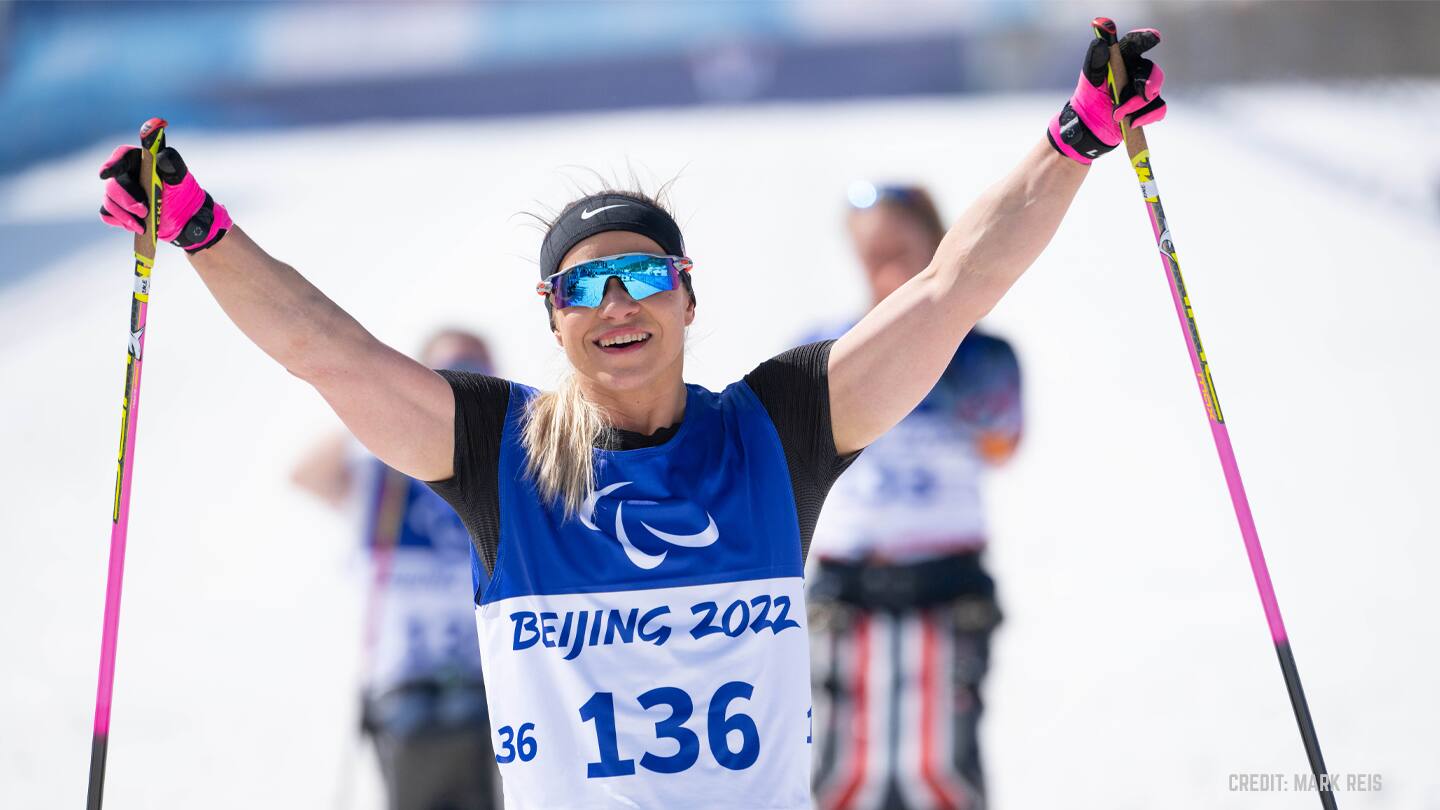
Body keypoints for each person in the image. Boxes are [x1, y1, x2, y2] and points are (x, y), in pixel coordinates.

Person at [95, 29, 1167, 810]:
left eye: (645, 274)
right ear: (551, 321)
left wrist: (1073, 139)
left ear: (689, 296)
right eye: (583, 286)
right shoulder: (498, 456)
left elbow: (949, 291)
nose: (618, 304)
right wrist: (199, 228)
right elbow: (326, 351)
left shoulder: (778, 429)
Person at [807, 185, 1020, 810]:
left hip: (947, 583)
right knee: (840, 773)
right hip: (850, 585)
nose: (889, 270)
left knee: (945, 771)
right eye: (873, 257)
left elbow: (1004, 442)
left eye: (902, 251)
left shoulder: (984, 353)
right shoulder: (827, 346)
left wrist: (937, 348)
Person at [291, 329, 501, 810]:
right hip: (404, 690)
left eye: (478, 378)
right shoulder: (381, 474)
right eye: (451, 379)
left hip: (486, 687)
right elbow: (305, 475)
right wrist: (381, 409)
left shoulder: (500, 473)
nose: (465, 389)